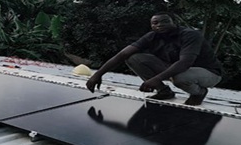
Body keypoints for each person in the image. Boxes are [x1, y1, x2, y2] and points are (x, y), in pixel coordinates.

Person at [79, 12, 223, 106]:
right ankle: (164, 91)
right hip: (176, 69)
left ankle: (199, 93)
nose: (160, 25)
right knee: (134, 58)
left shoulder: (189, 35)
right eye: (155, 23)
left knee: (180, 76)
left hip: (208, 73)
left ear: (173, 22)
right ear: (151, 25)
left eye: (164, 21)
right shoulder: (152, 36)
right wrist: (97, 75)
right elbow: (122, 54)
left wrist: (155, 79)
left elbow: (185, 62)